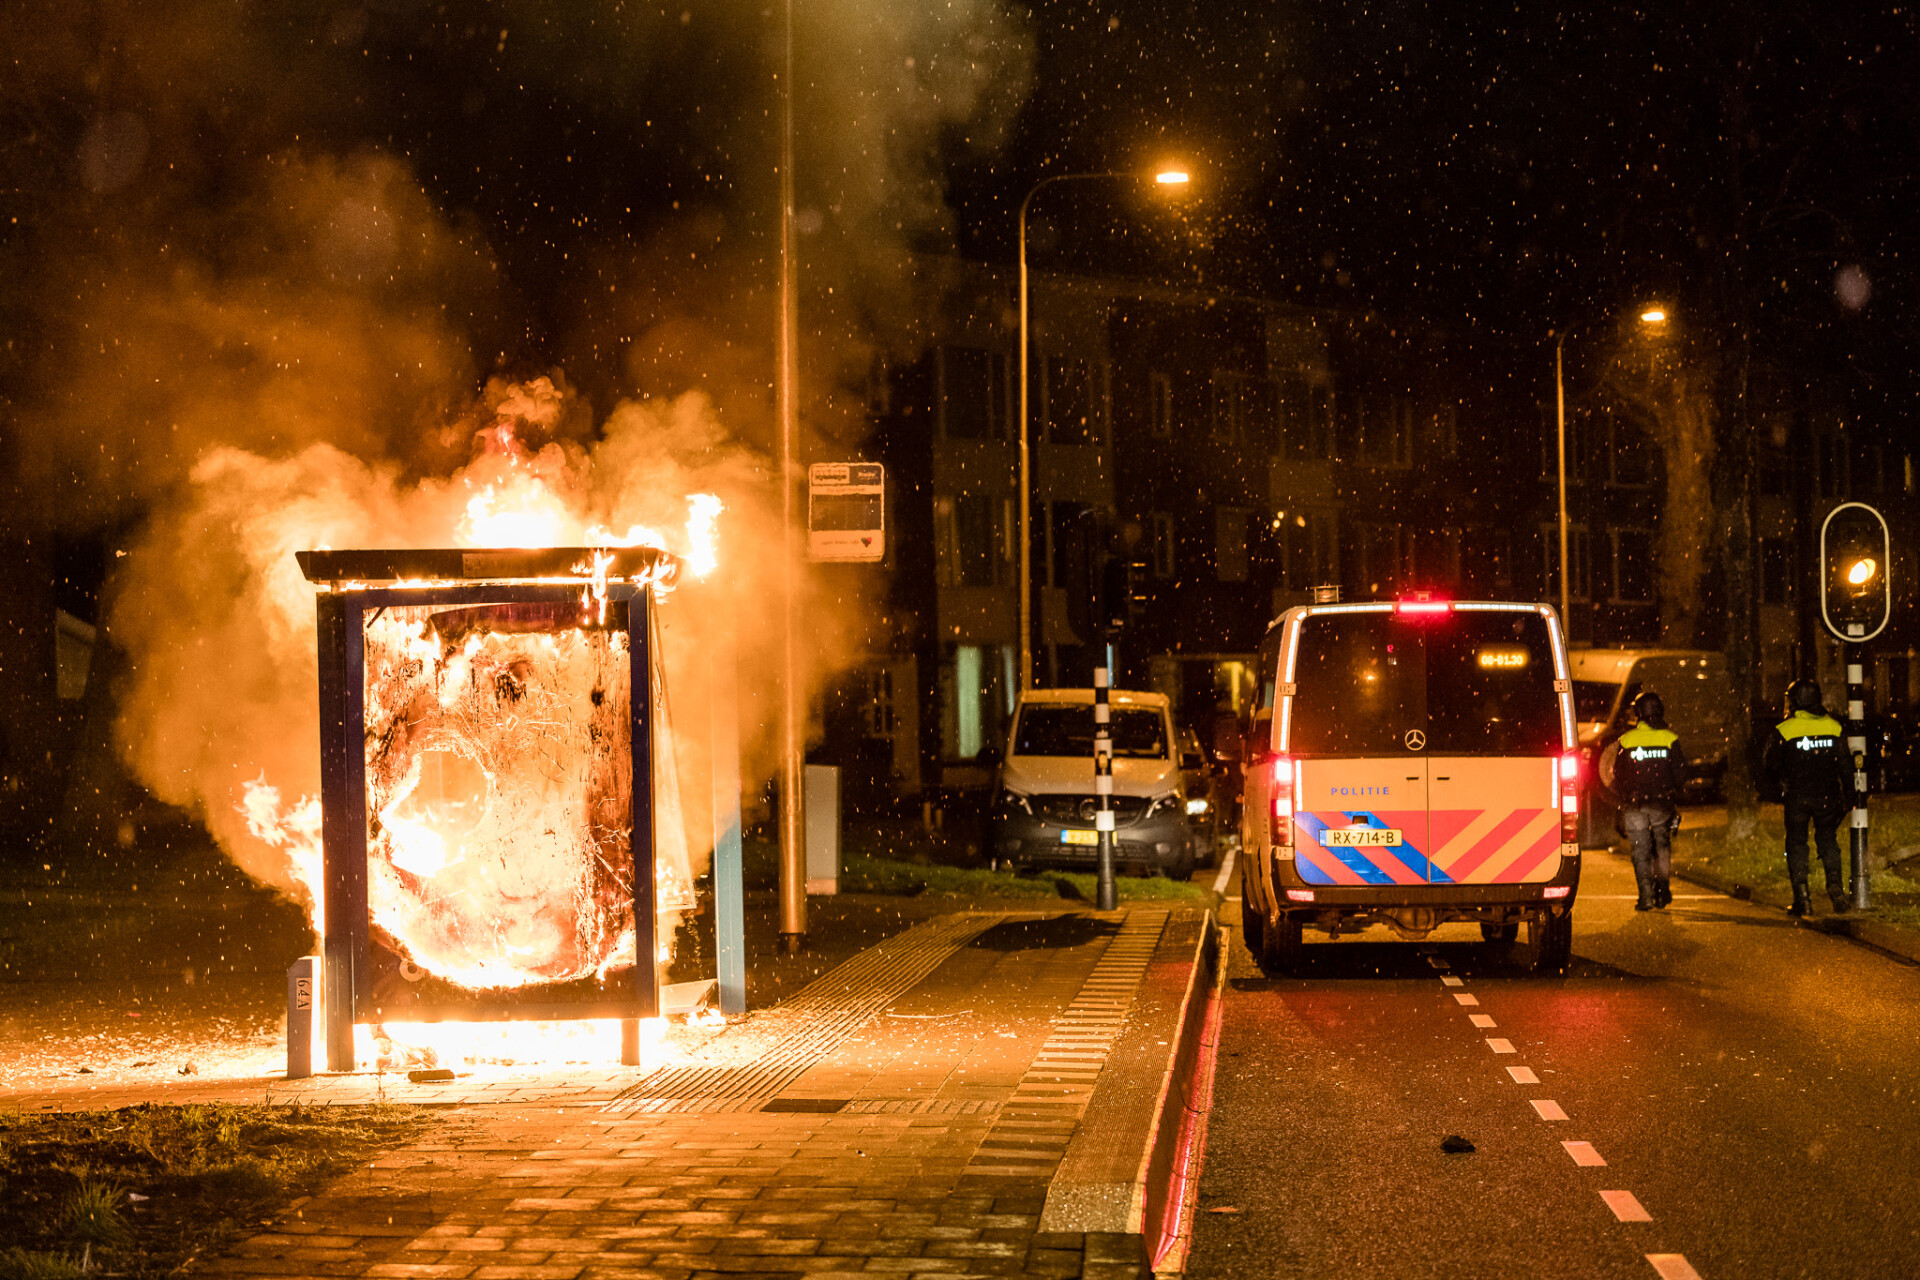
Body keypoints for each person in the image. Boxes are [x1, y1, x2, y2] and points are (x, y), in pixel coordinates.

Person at [1763, 679, 1851, 917]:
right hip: (1827, 796)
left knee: (1796, 845)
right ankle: (1836, 890)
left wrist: (1778, 785)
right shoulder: (1834, 727)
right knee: (1828, 841)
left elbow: (1770, 765)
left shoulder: (1785, 729)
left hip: (1797, 797)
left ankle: (1803, 898)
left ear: (1793, 701)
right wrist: (1849, 795)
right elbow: (1845, 764)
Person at [1604, 690, 1688, 911]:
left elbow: (1617, 774)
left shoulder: (1627, 740)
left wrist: (1624, 796)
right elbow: (1680, 773)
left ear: (1638, 713)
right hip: (1662, 804)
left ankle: (1646, 897)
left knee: (1640, 852)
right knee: (1662, 848)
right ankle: (1662, 891)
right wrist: (1674, 790)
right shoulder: (1669, 738)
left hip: (1635, 806)